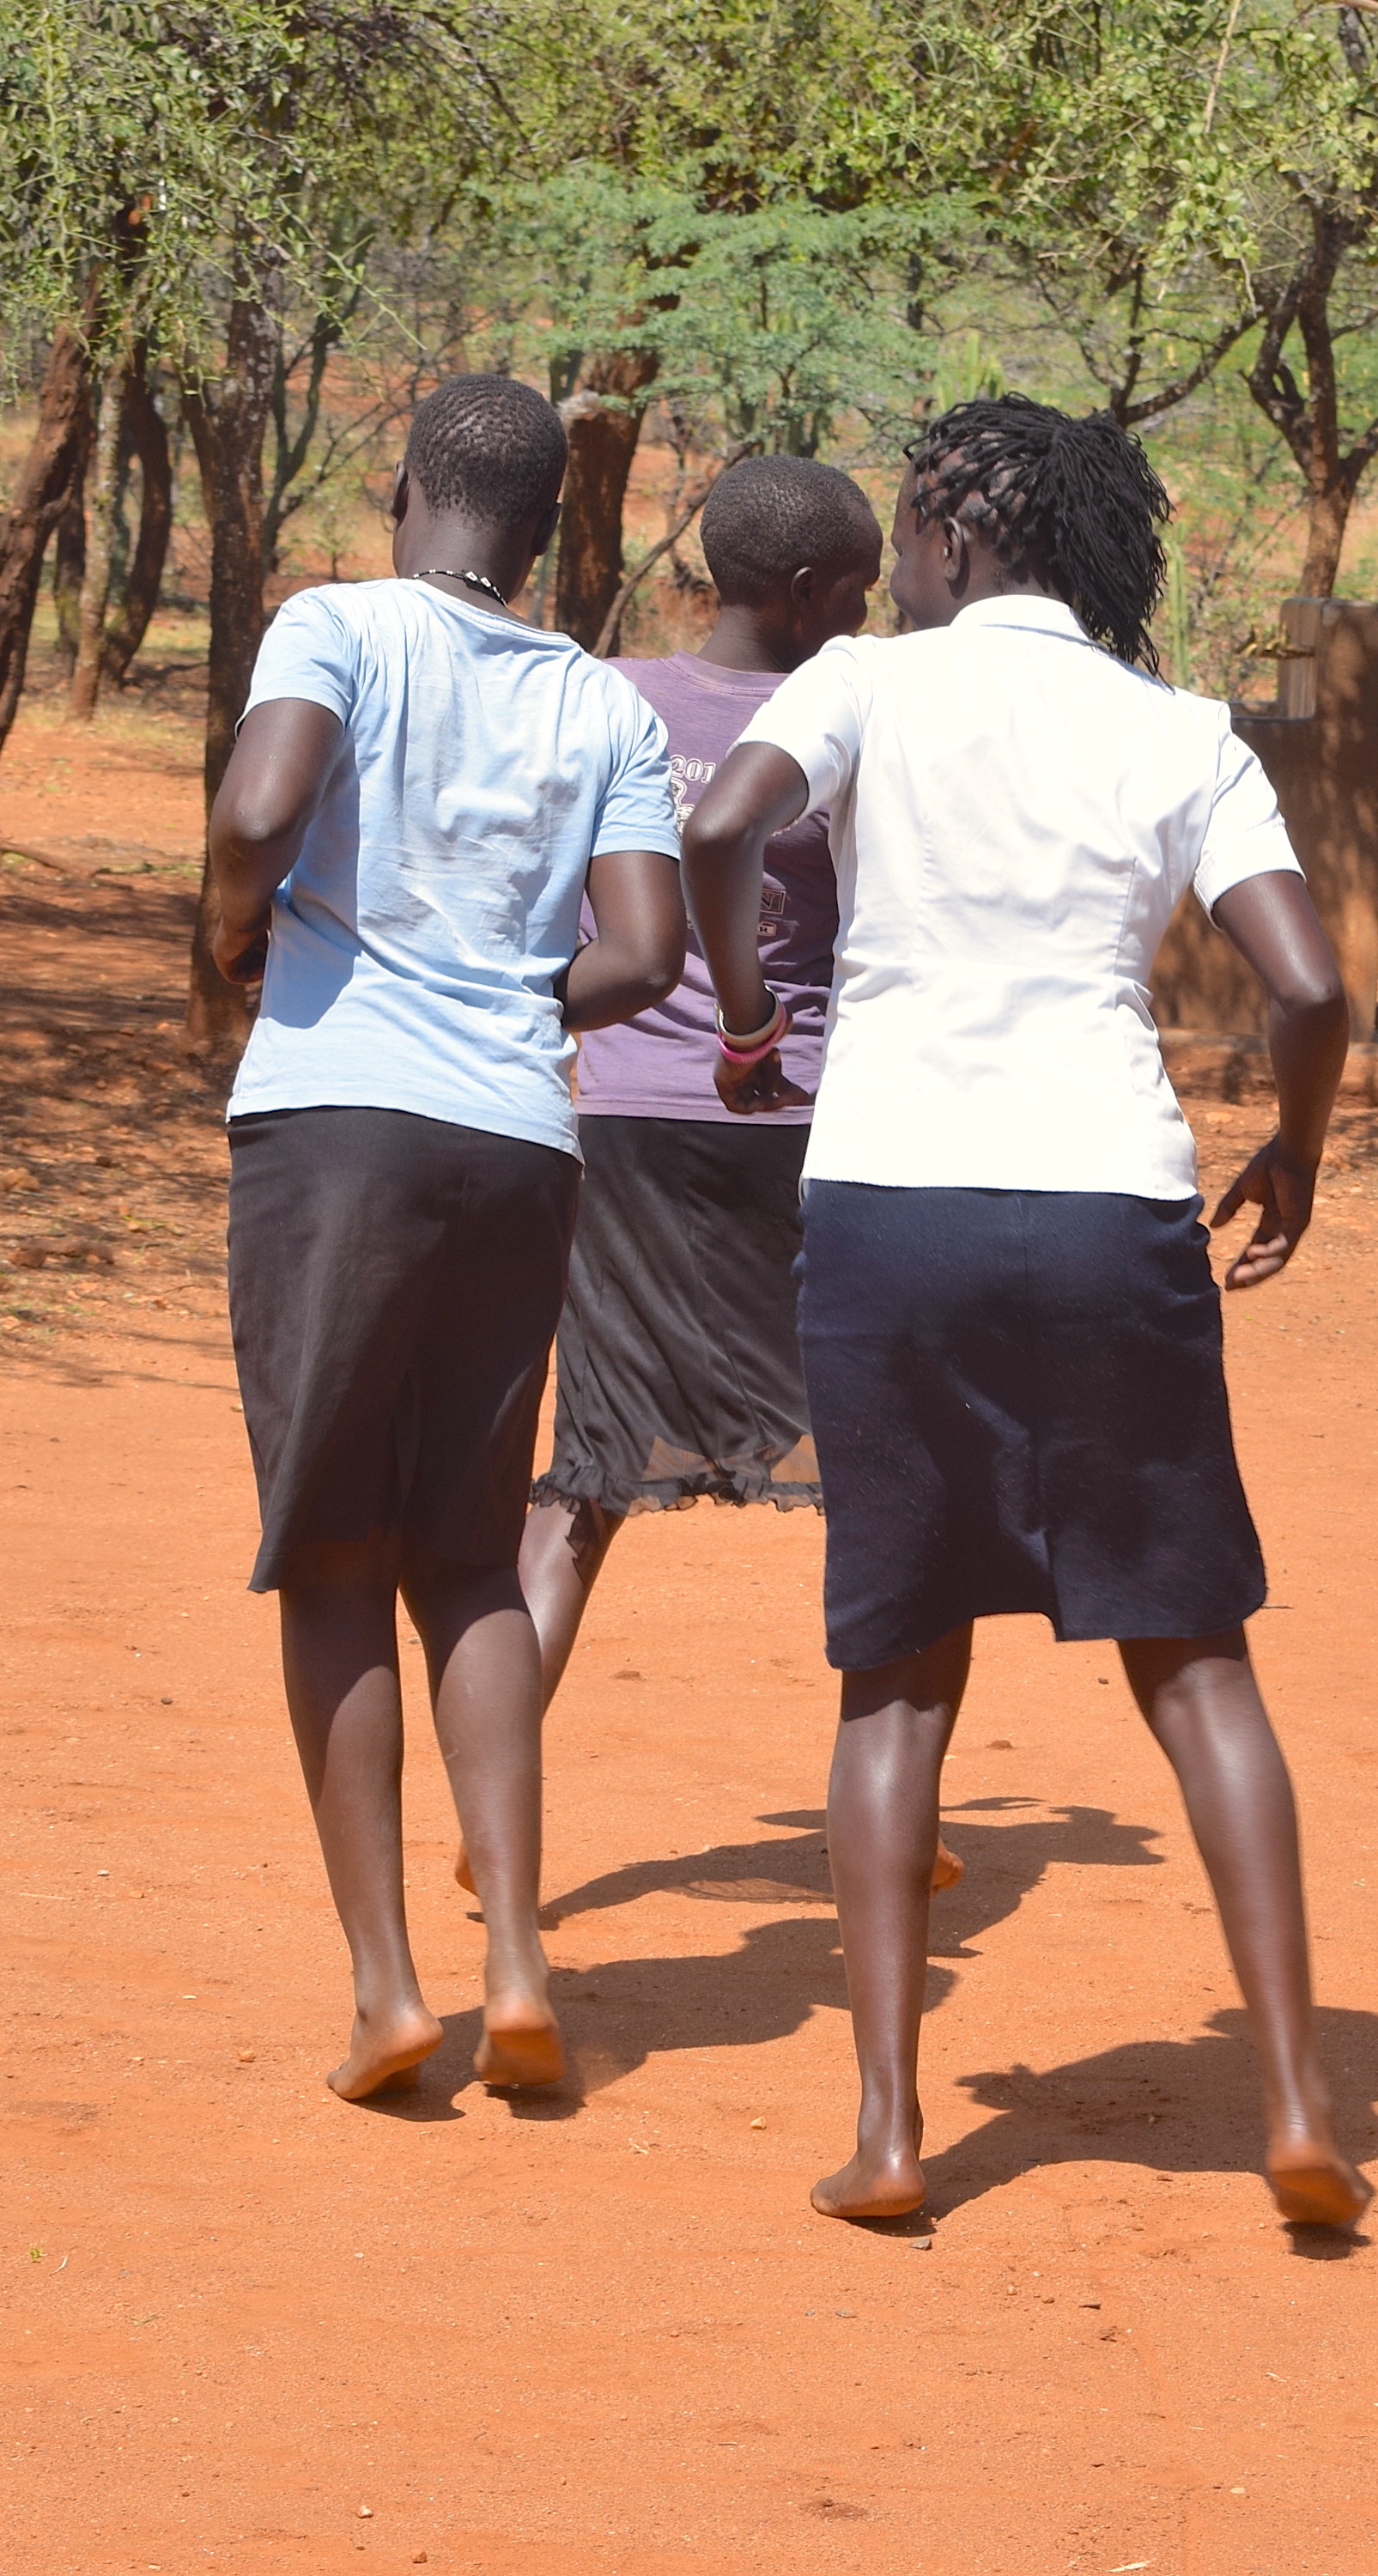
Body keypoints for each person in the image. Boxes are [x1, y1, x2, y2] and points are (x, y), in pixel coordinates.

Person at [674, 393, 1370, 2231]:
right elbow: (1306, 985)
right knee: (1195, 1658)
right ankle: (1301, 2103)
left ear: (957, 538)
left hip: (890, 1197)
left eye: (912, 527)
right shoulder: (1176, 729)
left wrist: (750, 1022)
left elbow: (718, 828)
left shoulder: (866, 690)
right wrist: (1291, 1153)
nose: (900, 555)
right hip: (1105, 1205)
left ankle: (894, 2136)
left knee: (895, 1675)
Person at [200, 374, 688, 2103]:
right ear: (546, 533)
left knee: (331, 1554)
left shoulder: (332, 626)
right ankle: (519, 1959)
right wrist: (507, 998)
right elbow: (642, 953)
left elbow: (261, 815)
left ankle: (387, 1989)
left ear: (397, 490)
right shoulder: (604, 708)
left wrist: (232, 924)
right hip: (515, 1143)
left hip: (335, 1128)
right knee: (470, 1558)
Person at [482, 454, 968, 1905]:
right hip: (806, 1132)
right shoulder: (855, 722)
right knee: (888, 1475)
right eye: (863, 589)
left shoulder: (600, 697)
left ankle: (491, 1837)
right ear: (815, 591)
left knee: (581, 1487)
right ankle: (893, 1820)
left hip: (614, 1123)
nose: (873, 613)